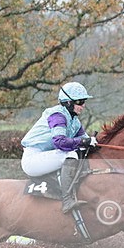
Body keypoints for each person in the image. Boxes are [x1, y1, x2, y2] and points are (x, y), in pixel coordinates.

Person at [21, 81, 97, 213]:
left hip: (47, 157)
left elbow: (85, 141)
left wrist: (93, 143)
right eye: (79, 102)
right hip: (33, 159)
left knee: (80, 151)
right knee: (71, 154)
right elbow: (59, 142)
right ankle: (67, 200)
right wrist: (85, 142)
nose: (83, 105)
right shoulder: (57, 116)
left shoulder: (74, 121)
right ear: (68, 102)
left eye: (84, 101)